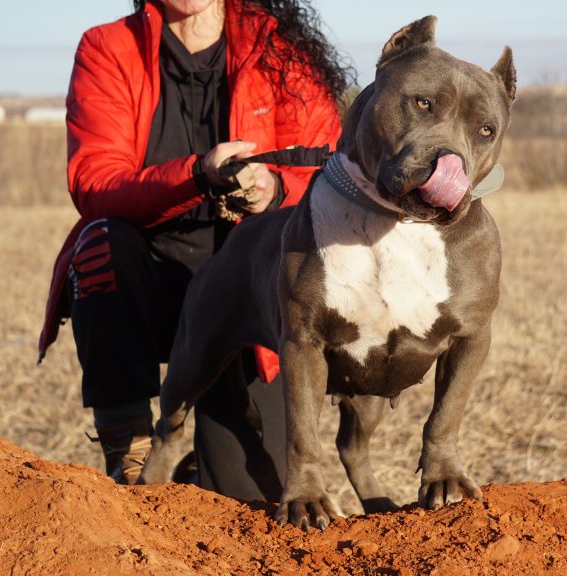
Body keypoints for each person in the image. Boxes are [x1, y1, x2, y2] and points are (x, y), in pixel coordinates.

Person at [37, 0, 351, 501]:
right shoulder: (108, 47)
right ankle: (129, 446)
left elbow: (331, 173)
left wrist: (273, 189)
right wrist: (196, 174)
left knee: (253, 498)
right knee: (99, 243)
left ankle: (192, 479)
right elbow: (95, 182)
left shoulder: (284, 49)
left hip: (249, 295)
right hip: (149, 290)